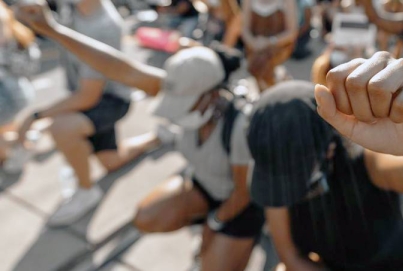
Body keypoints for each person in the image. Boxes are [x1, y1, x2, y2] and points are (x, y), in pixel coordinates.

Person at [16, 3, 264, 270]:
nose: (177, 111)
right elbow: (118, 67)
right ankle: (203, 224)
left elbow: (242, 194)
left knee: (211, 265)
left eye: (186, 104)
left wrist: (214, 226)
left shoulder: (241, 125)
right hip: (204, 184)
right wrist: (53, 30)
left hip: (240, 204)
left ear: (213, 93)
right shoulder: (182, 86)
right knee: (147, 217)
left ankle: (226, 237)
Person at [247, 52, 403, 270]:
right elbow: (291, 257)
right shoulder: (273, 179)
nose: (286, 185)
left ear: (329, 149)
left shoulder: (366, 163)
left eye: (295, 172)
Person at [16, 0, 158, 226]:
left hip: (110, 101)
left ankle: (86, 190)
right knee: (112, 162)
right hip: (92, 94)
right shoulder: (72, 7)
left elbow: (89, 96)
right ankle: (157, 137)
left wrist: (35, 118)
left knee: (62, 127)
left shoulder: (104, 26)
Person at [0, 0, 39, 169]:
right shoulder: (14, 26)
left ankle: (17, 147)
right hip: (16, 88)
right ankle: (25, 138)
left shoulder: (6, 29)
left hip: (10, 93)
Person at [241, 0, 298, 91]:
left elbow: (291, 32)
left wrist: (270, 42)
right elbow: (245, 30)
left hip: (278, 46)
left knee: (264, 64)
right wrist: (253, 43)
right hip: (255, 47)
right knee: (258, 64)